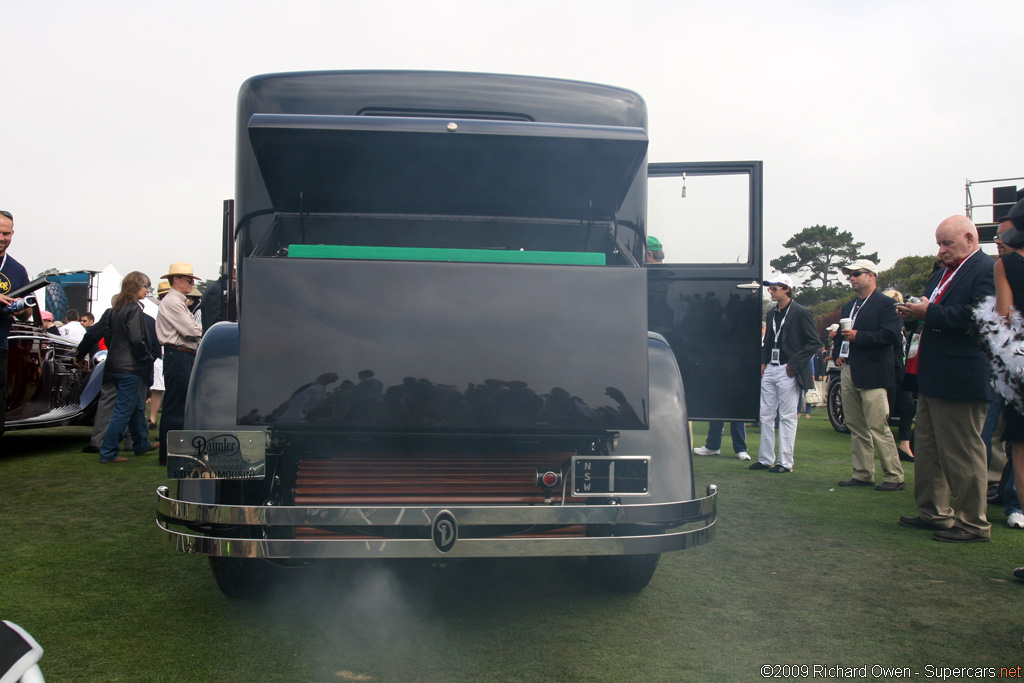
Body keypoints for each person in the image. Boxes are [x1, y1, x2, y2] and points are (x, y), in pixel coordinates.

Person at [897, 215, 994, 543]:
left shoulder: (985, 269)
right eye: (939, 243)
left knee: (963, 452)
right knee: (927, 448)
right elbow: (932, 313)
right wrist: (913, 316)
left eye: (947, 243)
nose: (941, 249)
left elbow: (981, 317)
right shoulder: (942, 274)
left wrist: (929, 313)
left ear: (970, 238)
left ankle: (972, 524)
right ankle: (934, 513)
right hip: (931, 374)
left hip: (960, 376)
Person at [832, 260, 905, 491]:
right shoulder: (849, 306)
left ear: (871, 276)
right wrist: (837, 353)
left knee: (877, 425)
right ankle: (863, 473)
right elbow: (841, 336)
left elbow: (891, 336)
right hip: (849, 368)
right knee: (854, 424)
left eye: (856, 274)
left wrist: (859, 337)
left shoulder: (886, 304)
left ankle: (894, 476)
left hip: (873, 371)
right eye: (849, 275)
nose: (851, 278)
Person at [750, 274, 819, 473]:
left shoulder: (801, 312)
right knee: (766, 414)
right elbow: (769, 340)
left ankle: (785, 462)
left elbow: (814, 342)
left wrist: (794, 364)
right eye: (770, 288)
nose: (771, 291)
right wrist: (763, 361)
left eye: (774, 288)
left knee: (787, 416)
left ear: (786, 289)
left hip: (788, 368)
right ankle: (765, 459)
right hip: (771, 367)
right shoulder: (772, 314)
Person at [98, 272, 158, 463]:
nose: (147, 290)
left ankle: (141, 443)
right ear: (135, 287)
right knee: (124, 410)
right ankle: (108, 452)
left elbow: (108, 337)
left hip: (115, 365)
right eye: (145, 287)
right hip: (130, 367)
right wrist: (147, 358)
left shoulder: (115, 308)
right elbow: (136, 338)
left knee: (135, 407)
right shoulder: (133, 309)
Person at [156, 262, 203, 465]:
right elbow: (193, 331)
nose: (191, 284)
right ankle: (169, 453)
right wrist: (196, 328)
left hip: (181, 355)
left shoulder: (176, 301)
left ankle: (173, 452)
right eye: (189, 280)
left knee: (177, 404)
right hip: (179, 355)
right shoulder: (174, 302)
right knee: (176, 405)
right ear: (176, 279)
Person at [0, 210, 30, 439]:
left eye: (6, 233)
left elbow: (26, 315)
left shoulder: (17, 270)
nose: (2, 237)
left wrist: (23, 307)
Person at [882, 289, 916, 462]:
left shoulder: (902, 326)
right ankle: (885, 448)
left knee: (908, 407)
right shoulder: (887, 324)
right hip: (889, 370)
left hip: (901, 369)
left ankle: (904, 444)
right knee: (888, 408)